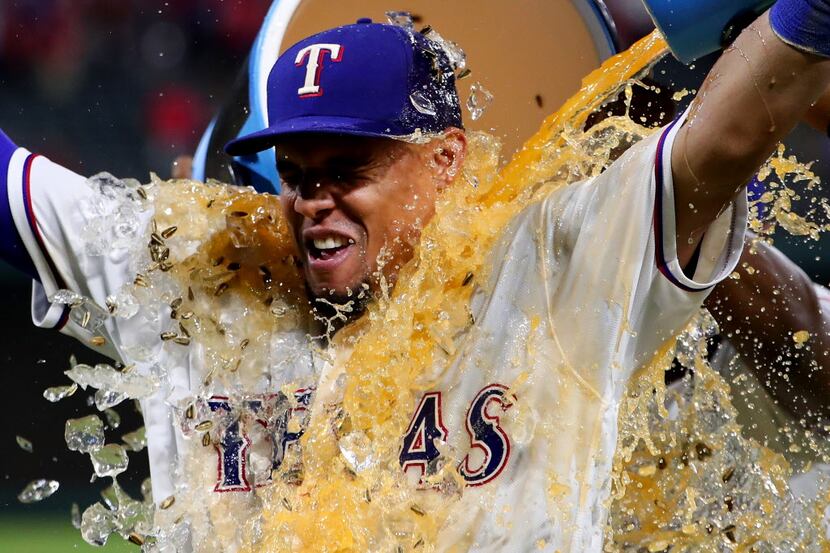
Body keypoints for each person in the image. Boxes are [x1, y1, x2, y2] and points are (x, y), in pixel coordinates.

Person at [3, 3, 830, 552]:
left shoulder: (548, 260)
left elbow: (720, 144)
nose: (312, 200)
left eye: (349, 166)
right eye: (296, 170)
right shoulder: (207, 272)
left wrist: (803, 16)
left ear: (445, 162)